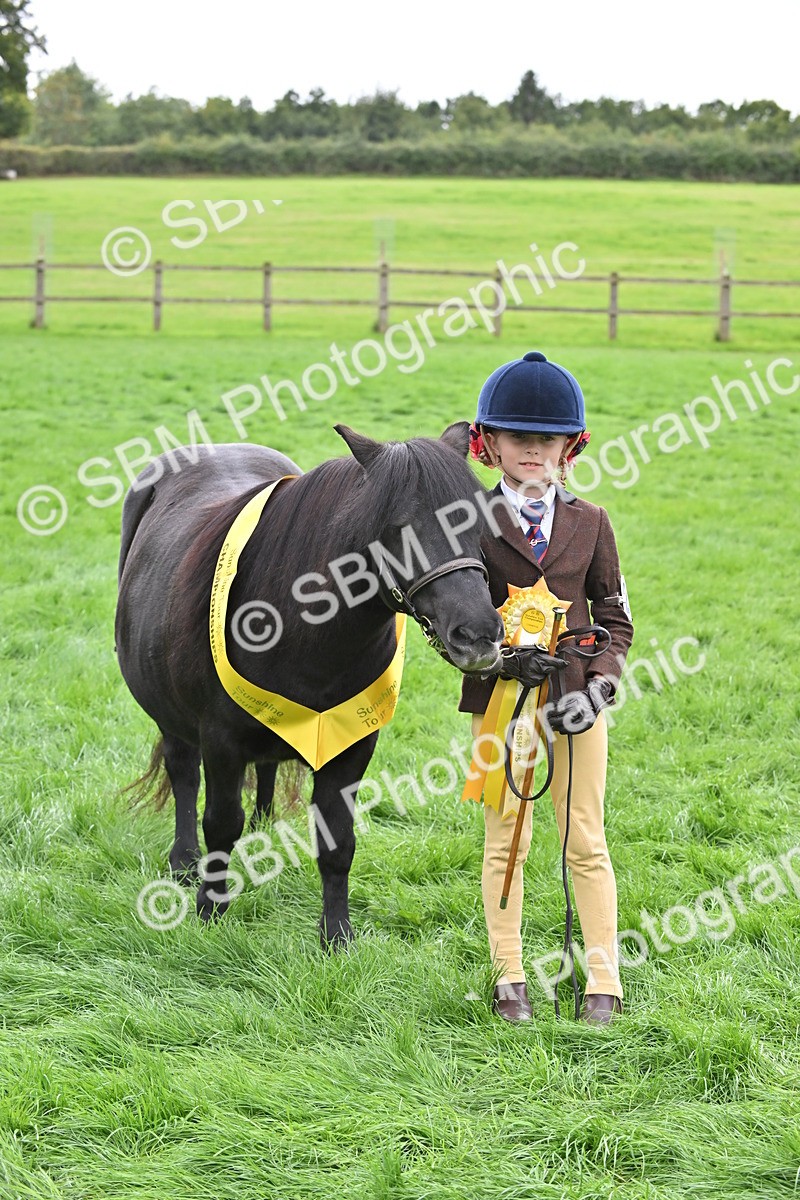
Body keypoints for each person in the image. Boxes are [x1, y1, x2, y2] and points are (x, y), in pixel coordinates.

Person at [460, 350, 634, 1025]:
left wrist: (602, 686)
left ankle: (603, 981)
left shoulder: (593, 522)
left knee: (584, 837)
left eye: (547, 438)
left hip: (576, 702)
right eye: (517, 437)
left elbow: (614, 617)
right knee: (507, 837)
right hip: (501, 704)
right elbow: (452, 626)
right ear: (491, 443)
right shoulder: (468, 522)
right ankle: (509, 977)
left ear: (570, 446)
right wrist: (502, 663)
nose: (533, 449)